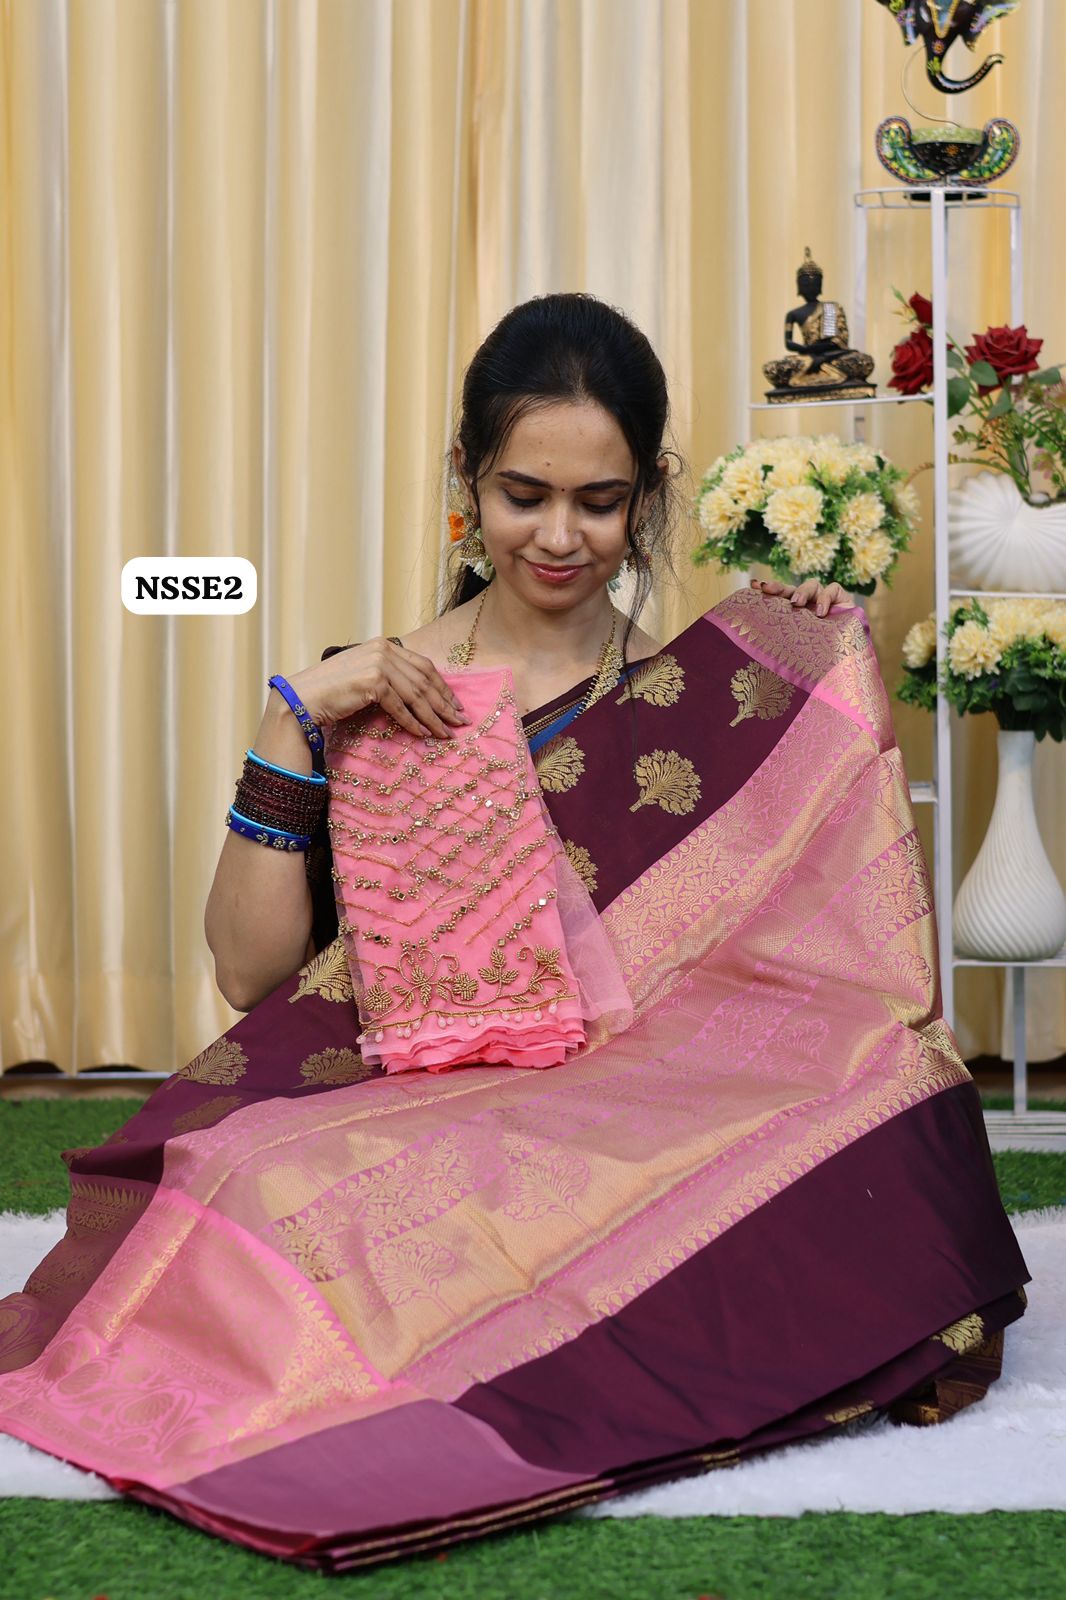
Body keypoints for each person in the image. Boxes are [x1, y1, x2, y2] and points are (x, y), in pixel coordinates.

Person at [0, 293, 1029, 1573]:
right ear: (465, 482)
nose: (558, 536)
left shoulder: (691, 709)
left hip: (615, 1102)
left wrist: (797, 669)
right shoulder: (372, 688)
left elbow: (787, 969)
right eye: (521, 493)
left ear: (648, 492)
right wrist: (291, 728)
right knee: (253, 1183)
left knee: (896, 1087)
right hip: (411, 1096)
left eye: (597, 503)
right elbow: (255, 979)